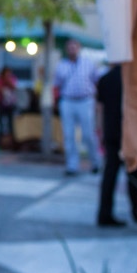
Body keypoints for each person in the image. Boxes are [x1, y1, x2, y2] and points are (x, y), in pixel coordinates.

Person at [95, 64, 137, 227]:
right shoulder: (133, 80)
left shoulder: (105, 79)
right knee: (134, 172)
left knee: (110, 174)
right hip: (130, 131)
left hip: (111, 131)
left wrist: (101, 130)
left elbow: (99, 109)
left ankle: (105, 212)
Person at [52, 38, 102, 176]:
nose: (72, 50)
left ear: (79, 48)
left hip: (85, 101)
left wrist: (97, 102)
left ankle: (95, 162)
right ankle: (72, 165)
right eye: (69, 47)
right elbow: (57, 85)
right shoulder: (61, 65)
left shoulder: (89, 64)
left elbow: (96, 82)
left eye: (74, 47)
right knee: (69, 135)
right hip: (68, 101)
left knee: (88, 134)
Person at [0, 66, 18, 147]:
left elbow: (14, 87)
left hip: (10, 104)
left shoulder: (12, 79)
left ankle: (12, 142)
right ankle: (0, 141)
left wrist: (8, 81)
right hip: (1, 104)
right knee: (0, 122)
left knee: (11, 123)